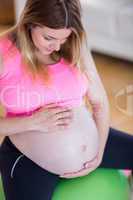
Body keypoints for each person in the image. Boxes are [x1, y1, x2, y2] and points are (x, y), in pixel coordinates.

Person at [0, 0, 133, 199]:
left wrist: (99, 151)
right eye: (49, 37)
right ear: (29, 22)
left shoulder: (74, 43)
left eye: (64, 38)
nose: (56, 46)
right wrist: (33, 122)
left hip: (95, 143)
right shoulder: (4, 52)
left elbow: (99, 103)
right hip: (27, 157)